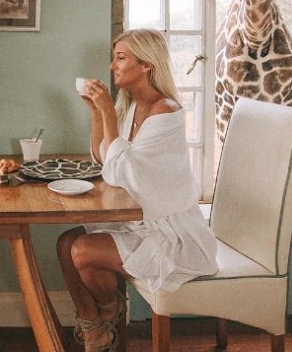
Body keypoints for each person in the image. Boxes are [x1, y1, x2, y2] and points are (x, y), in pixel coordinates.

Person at [57, 29, 218, 352]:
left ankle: (107, 314)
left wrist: (107, 111)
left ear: (146, 65)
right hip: (138, 220)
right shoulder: (133, 106)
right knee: (65, 244)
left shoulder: (165, 112)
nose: (112, 66)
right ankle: (95, 322)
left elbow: (120, 170)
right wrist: (96, 113)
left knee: (82, 251)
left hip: (169, 232)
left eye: (120, 58)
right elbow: (104, 158)